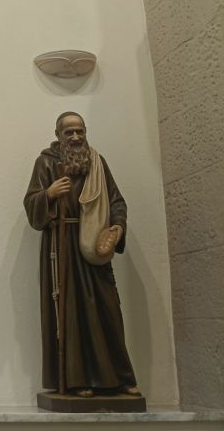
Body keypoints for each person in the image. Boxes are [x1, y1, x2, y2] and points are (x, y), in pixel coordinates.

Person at [23, 112, 140, 397]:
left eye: (80, 131)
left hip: (94, 244)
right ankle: (78, 380)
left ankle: (120, 378)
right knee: (71, 314)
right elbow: (31, 205)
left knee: (108, 311)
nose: (75, 137)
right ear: (58, 135)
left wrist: (117, 228)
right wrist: (49, 194)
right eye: (69, 132)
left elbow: (117, 201)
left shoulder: (97, 162)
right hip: (62, 245)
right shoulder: (46, 162)